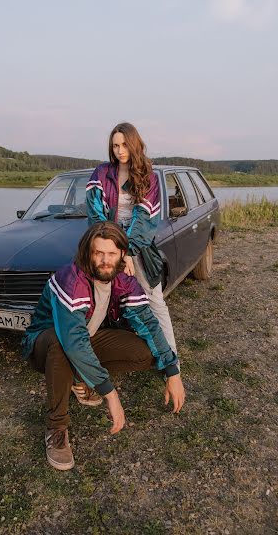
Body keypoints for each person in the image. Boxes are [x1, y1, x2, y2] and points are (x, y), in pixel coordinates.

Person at [22, 222, 185, 471]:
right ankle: (57, 429)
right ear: (88, 253)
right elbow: (73, 340)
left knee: (143, 352)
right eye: (98, 253)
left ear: (122, 254)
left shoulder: (122, 278)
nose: (105, 261)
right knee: (61, 343)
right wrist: (110, 393)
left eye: (111, 254)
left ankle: (80, 377)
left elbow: (149, 323)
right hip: (45, 345)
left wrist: (172, 370)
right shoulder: (72, 278)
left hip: (86, 339)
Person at [86, 122, 178, 354]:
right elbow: (95, 212)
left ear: (134, 144)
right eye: (115, 145)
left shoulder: (149, 176)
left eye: (125, 144)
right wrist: (113, 247)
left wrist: (127, 252)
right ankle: (84, 356)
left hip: (138, 246)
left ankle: (171, 359)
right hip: (107, 241)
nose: (120, 150)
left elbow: (146, 218)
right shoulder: (101, 173)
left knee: (154, 299)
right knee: (98, 297)